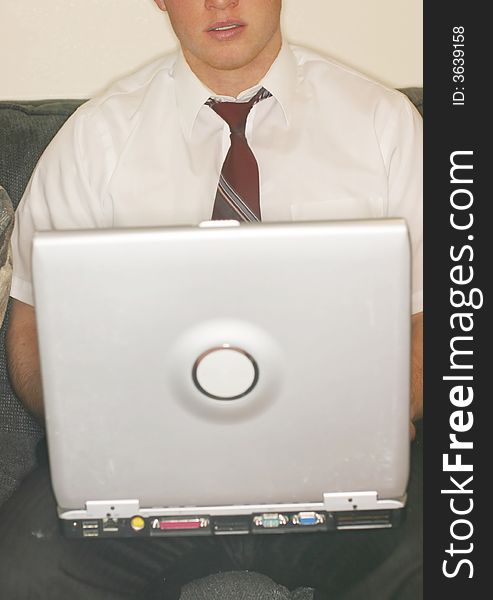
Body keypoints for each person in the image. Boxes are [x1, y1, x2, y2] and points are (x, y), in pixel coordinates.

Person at [0, 1, 423, 598]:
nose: (219, 2)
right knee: (20, 569)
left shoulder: (386, 125)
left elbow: (439, 311)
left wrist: (377, 424)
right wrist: (94, 440)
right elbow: (30, 326)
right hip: (141, 484)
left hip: (339, 478)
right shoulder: (94, 140)